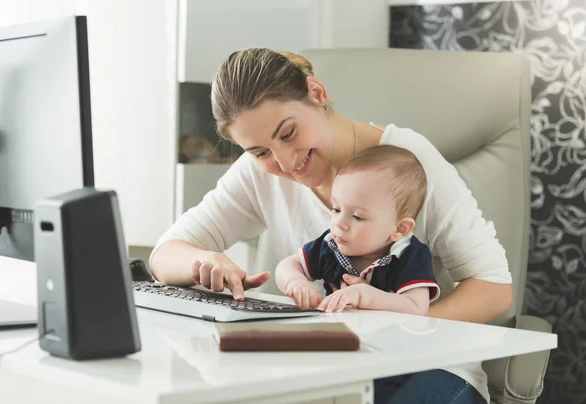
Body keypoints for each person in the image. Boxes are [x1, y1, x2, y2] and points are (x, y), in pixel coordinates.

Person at [150, 48, 512, 403]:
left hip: (429, 366)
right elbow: (166, 254)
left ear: (317, 94)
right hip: (324, 367)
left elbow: (494, 288)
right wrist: (205, 261)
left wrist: (401, 330)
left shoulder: (408, 162)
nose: (285, 162)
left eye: (288, 133)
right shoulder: (258, 174)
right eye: (260, 152)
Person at [275, 144, 440, 314]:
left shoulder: (409, 255)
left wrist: (364, 295)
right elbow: (287, 264)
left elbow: (417, 308)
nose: (339, 223)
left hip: (389, 338)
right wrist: (295, 282)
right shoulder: (331, 244)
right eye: (336, 209)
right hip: (339, 334)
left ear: (400, 228)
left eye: (357, 217)